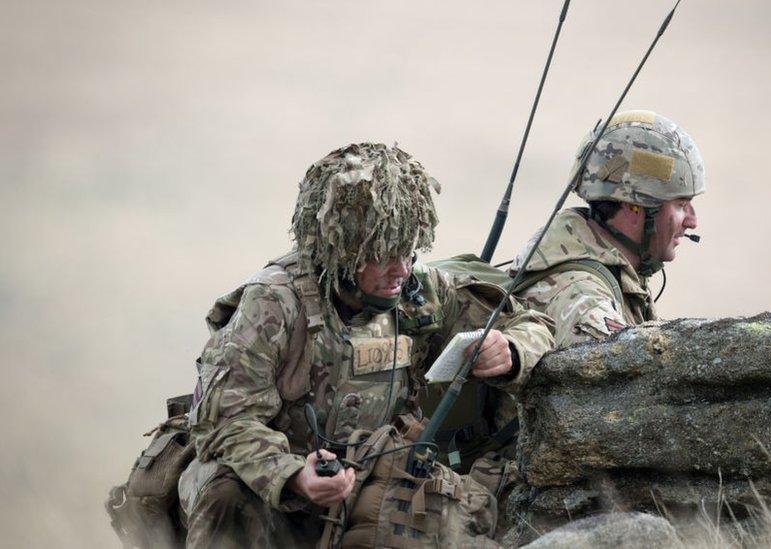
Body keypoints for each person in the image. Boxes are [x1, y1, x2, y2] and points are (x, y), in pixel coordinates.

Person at [178, 142, 554, 547]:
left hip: (375, 474)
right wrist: (292, 476)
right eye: (384, 255)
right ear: (341, 250)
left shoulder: (418, 291)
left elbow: (531, 322)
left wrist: (511, 350)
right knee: (226, 495)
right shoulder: (274, 304)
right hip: (278, 476)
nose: (402, 269)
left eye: (409, 251)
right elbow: (226, 421)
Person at [510, 110, 704, 347]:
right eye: (681, 205)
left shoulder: (611, 273)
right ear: (634, 208)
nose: (692, 221)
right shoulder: (583, 299)